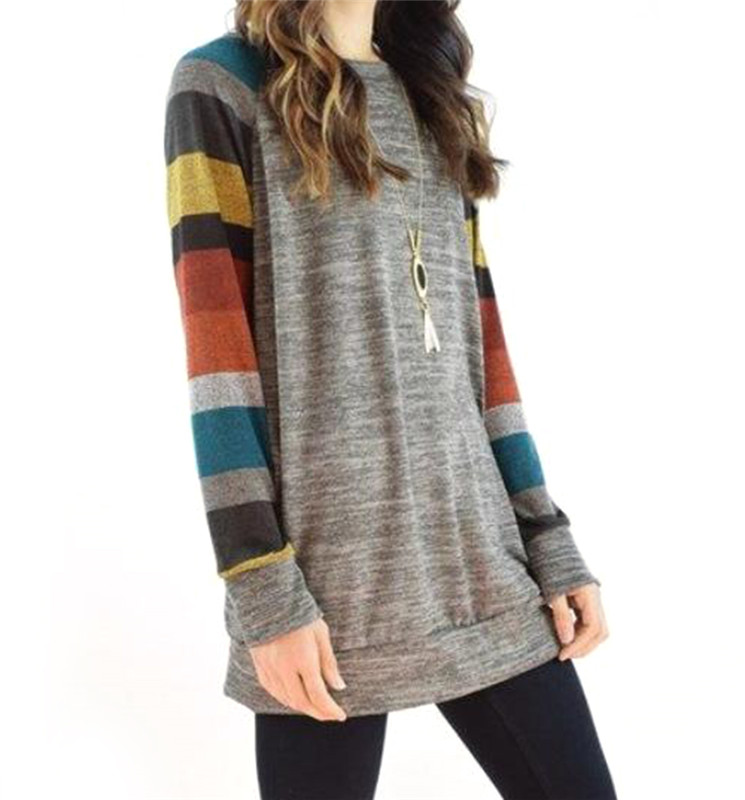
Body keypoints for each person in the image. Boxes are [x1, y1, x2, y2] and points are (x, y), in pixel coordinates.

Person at [163, 1, 617, 797]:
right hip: (327, 589)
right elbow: (218, 361)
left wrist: (545, 532)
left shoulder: (435, 95)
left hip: (480, 562)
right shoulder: (222, 84)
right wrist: (262, 587)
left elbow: (482, 347)